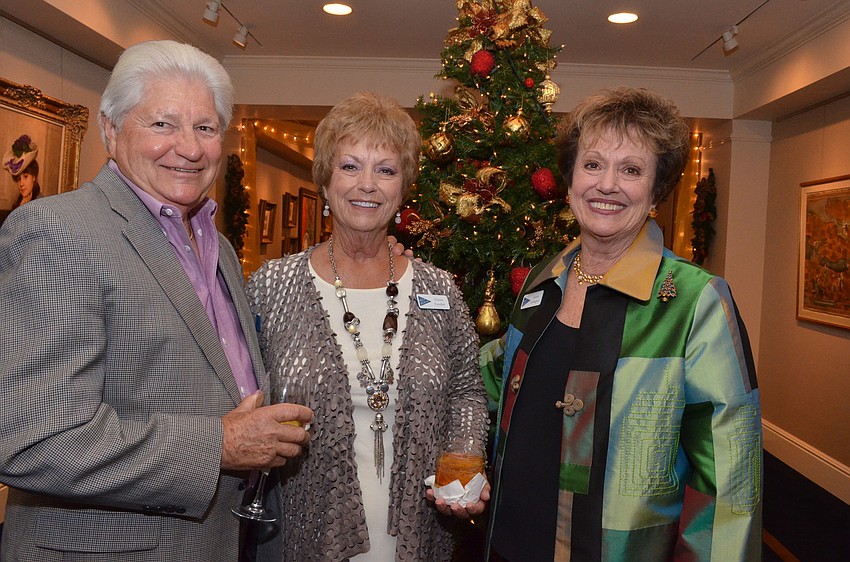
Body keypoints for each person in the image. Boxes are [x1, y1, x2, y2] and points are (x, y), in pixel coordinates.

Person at [0, 40, 312, 562]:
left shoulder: (220, 246)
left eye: (206, 128)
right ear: (110, 130)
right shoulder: (57, 230)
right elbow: (33, 443)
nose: (189, 148)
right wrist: (219, 446)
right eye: (162, 125)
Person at [483, 87, 762, 561]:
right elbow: (493, 377)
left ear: (656, 191)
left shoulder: (696, 303)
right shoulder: (540, 282)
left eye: (631, 170)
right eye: (592, 164)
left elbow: (729, 487)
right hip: (509, 538)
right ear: (570, 180)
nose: (606, 184)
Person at [246, 91, 490, 561]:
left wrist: (461, 465)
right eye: (350, 166)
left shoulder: (438, 289)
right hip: (304, 528)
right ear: (325, 179)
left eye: (386, 170)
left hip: (418, 530)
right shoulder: (271, 286)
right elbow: (240, 389)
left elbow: (466, 390)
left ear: (403, 188)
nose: (367, 185)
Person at [2, 134, 41, 208]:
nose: (21, 184)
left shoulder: (40, 204)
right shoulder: (19, 201)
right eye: (18, 179)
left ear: (34, 177)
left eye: (25, 176)